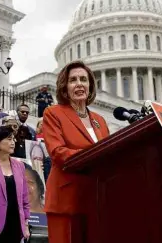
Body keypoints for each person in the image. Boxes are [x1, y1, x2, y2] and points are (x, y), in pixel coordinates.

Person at [43, 61, 110, 243]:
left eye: (83, 79)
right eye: (73, 80)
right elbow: (57, 152)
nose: (79, 84)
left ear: (90, 85)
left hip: (95, 201)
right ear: (65, 87)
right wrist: (93, 156)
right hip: (66, 200)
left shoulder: (100, 121)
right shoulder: (53, 113)